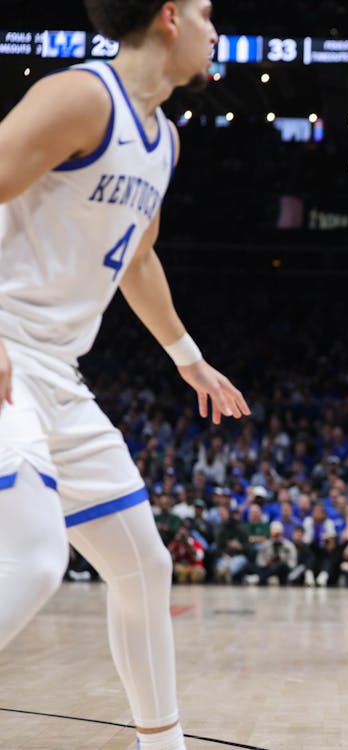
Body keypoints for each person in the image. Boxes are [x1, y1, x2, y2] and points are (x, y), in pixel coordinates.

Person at [0, 3, 250, 749]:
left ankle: (162, 744)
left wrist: (186, 355)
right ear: (170, 17)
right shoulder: (83, 96)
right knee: (37, 557)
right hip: (7, 351)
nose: (217, 27)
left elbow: (137, 258)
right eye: (208, 12)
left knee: (143, 563)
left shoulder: (165, 141)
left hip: (58, 374)